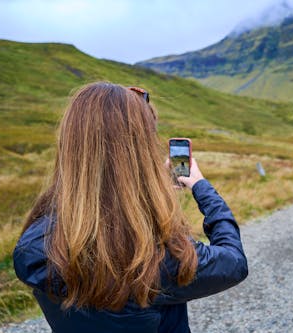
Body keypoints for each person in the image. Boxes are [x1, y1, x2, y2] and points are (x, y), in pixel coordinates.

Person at [13, 82, 248, 333]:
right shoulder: (153, 257)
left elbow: (97, 211)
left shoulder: (35, 243)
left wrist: (147, 195)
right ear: (140, 155)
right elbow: (234, 262)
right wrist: (201, 186)